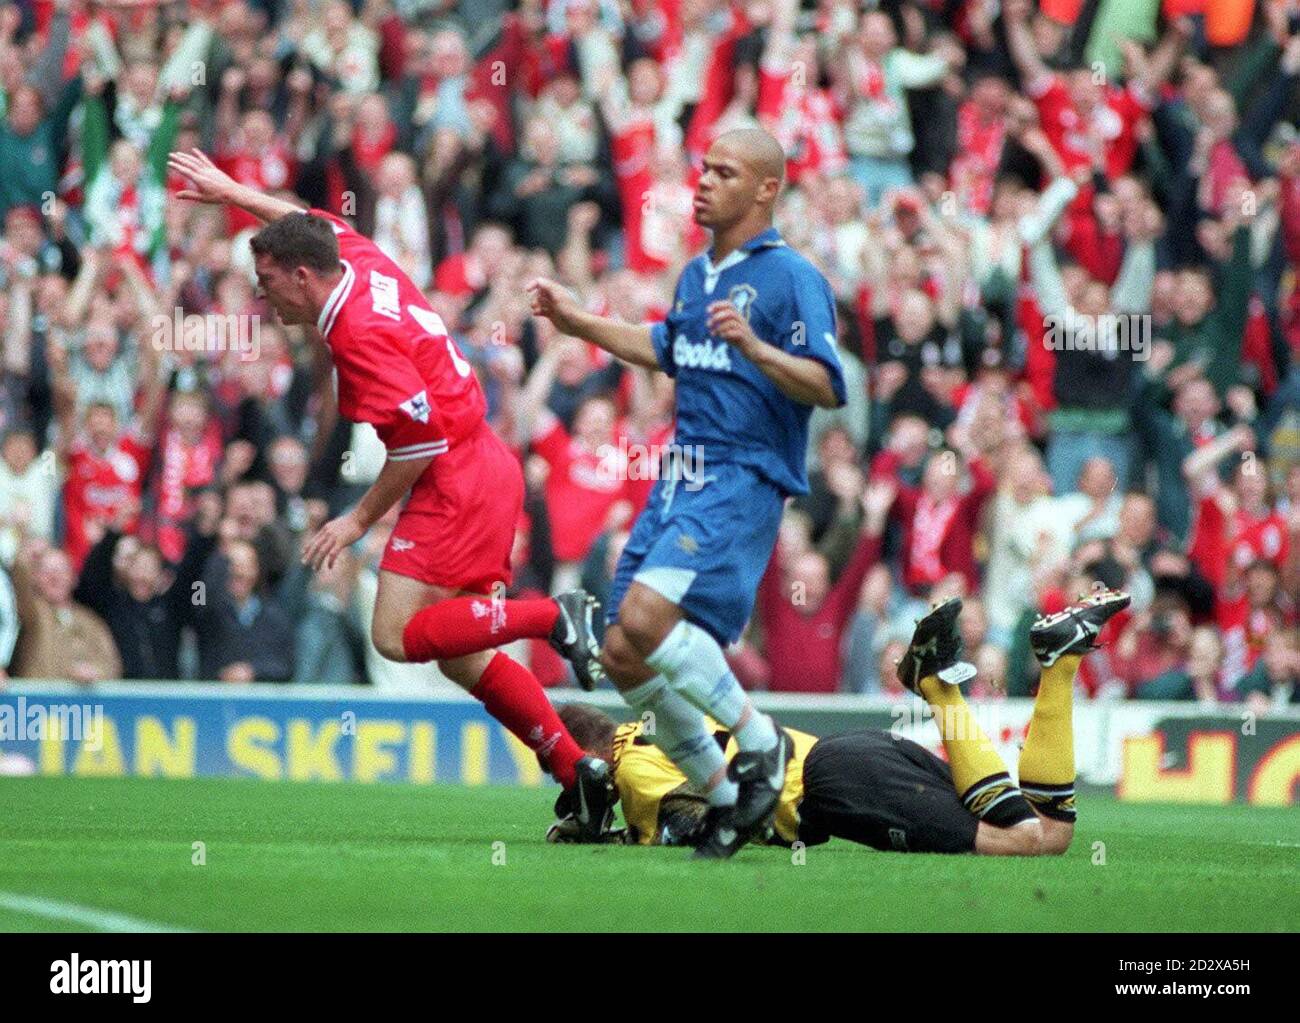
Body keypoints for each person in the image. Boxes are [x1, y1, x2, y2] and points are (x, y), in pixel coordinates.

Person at [166, 148, 615, 835]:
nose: (262, 294)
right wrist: (231, 190)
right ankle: (574, 769)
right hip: (482, 463)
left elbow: (419, 440)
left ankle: (554, 616)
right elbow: (299, 217)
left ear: (303, 277)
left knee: (397, 635)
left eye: (266, 280)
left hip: (454, 473)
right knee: (464, 651)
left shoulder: (355, 332)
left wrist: (355, 520)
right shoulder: (356, 260)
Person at [529, 128, 847, 857]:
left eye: (724, 172)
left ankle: (760, 745)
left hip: (743, 472)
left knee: (644, 615)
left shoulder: (793, 277)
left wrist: (757, 348)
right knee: (621, 651)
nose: (703, 182)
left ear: (766, 189)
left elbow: (830, 385)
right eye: (703, 168)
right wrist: (577, 320)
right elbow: (665, 348)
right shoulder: (698, 275)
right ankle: (730, 797)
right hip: (682, 474)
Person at [549, 590, 1131, 856]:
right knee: (1049, 832)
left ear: (585, 756)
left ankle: (936, 685)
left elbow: (695, 819)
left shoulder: (630, 764)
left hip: (833, 790)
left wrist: (614, 835)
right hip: (853, 756)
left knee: (1023, 841)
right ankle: (1059, 665)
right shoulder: (666, 722)